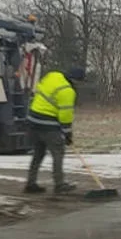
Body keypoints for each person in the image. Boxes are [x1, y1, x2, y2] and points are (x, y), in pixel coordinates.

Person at [24, 66, 85, 194]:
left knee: (38, 153)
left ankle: (31, 183)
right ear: (76, 80)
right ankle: (59, 185)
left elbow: (40, 89)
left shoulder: (52, 75)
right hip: (48, 125)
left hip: (33, 121)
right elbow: (65, 115)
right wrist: (68, 134)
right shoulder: (68, 91)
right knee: (58, 152)